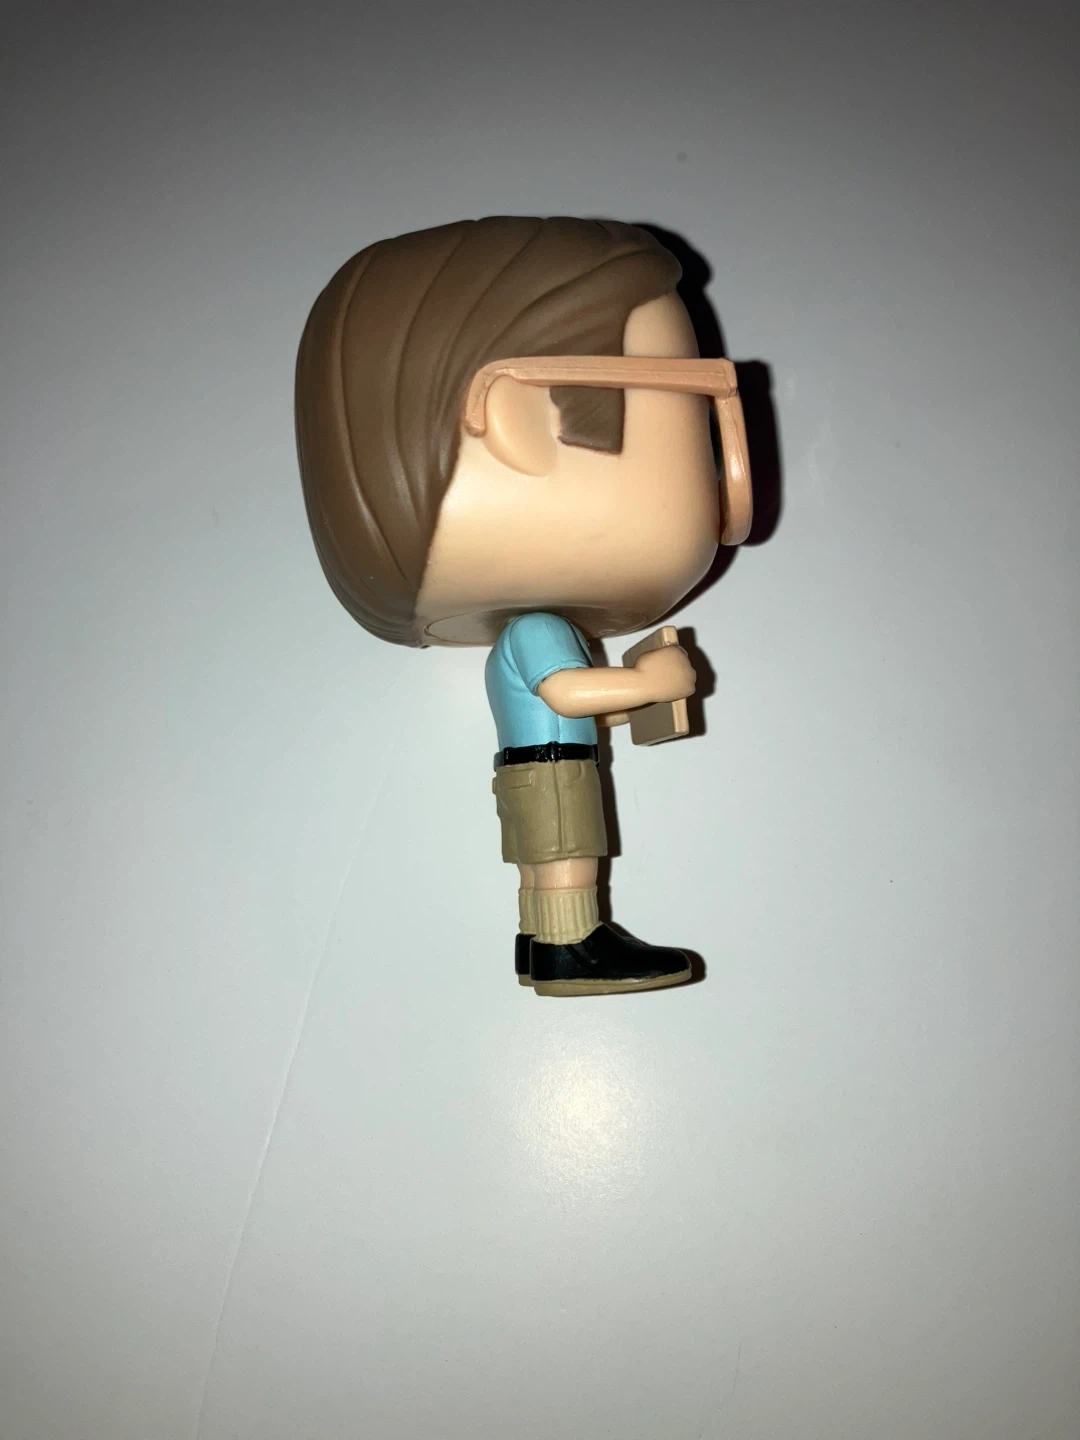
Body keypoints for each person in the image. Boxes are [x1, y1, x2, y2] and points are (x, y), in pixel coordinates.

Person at [295, 216, 751, 995]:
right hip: (549, 770)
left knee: (554, 859)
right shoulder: (538, 627)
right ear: (524, 421)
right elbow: (567, 694)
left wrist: (634, 702)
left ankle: (548, 944)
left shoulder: (539, 630)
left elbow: (571, 701)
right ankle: (570, 943)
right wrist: (647, 682)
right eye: (686, 414)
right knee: (567, 857)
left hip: (541, 764)